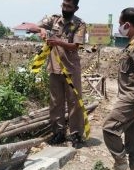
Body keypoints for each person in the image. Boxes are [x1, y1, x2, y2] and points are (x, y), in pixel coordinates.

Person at [102, 7, 134, 170]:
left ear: (128, 24)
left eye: (120, 24)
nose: (119, 27)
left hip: (132, 97)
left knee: (109, 128)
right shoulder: (133, 43)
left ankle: (121, 162)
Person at [33, 0, 86, 148]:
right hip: (54, 67)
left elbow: (76, 46)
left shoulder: (80, 24)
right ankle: (59, 133)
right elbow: (35, 26)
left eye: (69, 7)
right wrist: (41, 30)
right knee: (56, 102)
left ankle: (76, 134)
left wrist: (57, 41)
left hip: (71, 69)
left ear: (76, 8)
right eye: (63, 5)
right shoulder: (54, 19)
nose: (65, 9)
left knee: (74, 103)